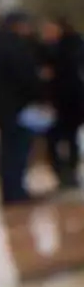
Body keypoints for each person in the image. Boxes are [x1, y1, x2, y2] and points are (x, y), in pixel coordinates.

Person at [0, 9, 50, 206]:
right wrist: (39, 92)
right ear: (18, 25)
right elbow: (24, 74)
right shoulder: (12, 45)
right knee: (17, 148)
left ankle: (10, 191)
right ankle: (16, 193)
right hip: (15, 105)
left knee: (7, 149)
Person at [40, 17, 83, 190]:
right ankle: (60, 172)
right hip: (51, 103)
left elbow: (73, 65)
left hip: (71, 99)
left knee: (71, 138)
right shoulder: (42, 49)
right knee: (53, 140)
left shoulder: (72, 44)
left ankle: (71, 172)